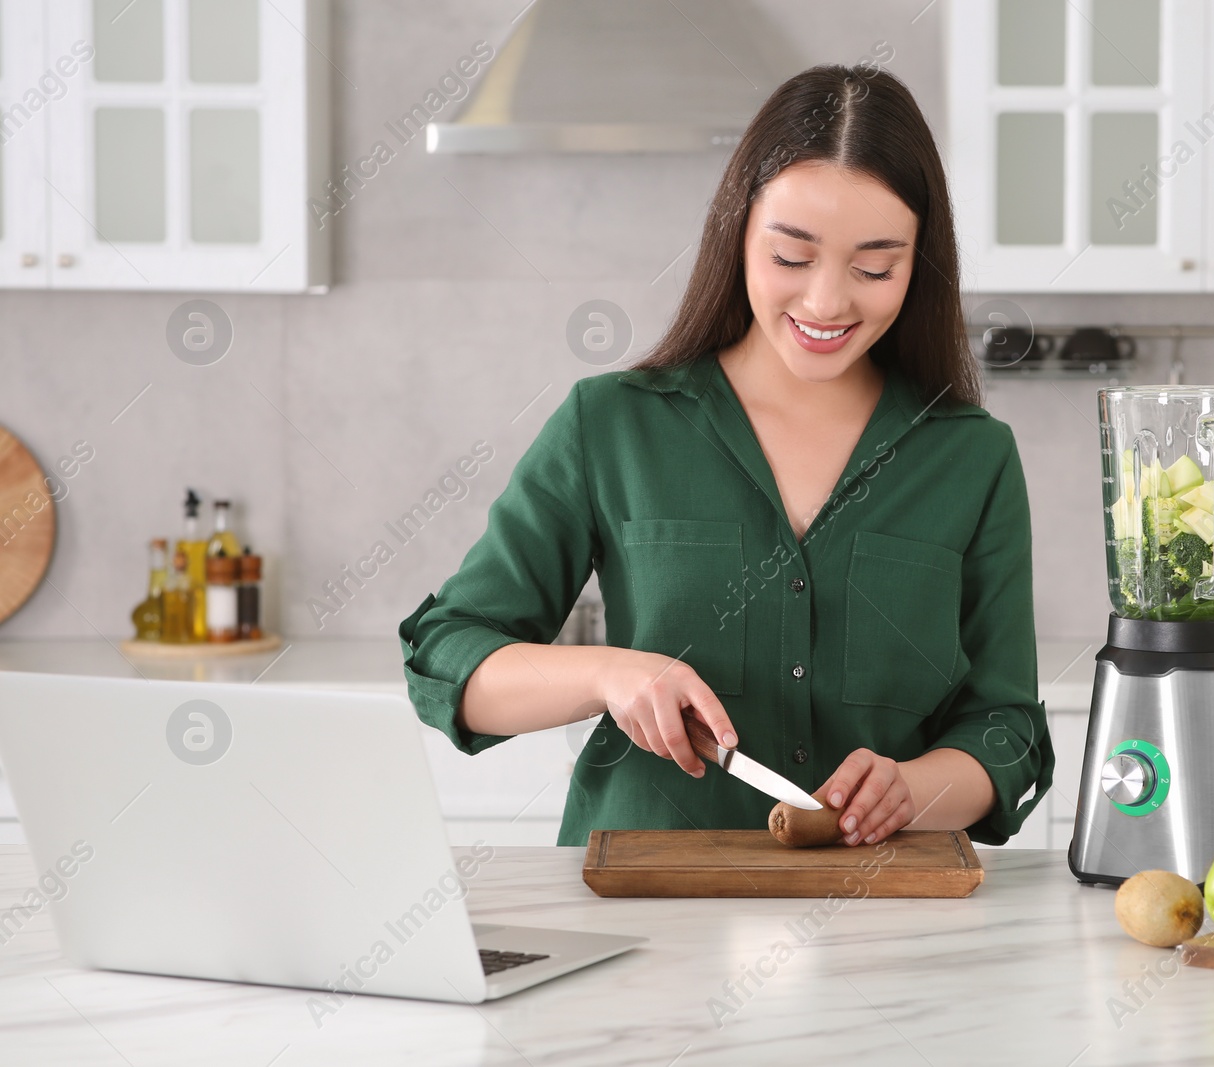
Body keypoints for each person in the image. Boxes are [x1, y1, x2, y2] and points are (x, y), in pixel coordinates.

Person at [399, 63, 1052, 848]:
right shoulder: (610, 424)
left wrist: (914, 787)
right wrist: (609, 673)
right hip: (641, 911)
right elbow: (447, 655)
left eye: (875, 267)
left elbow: (1008, 729)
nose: (826, 302)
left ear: (919, 264)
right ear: (737, 235)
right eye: (790, 257)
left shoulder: (971, 458)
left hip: (878, 926)